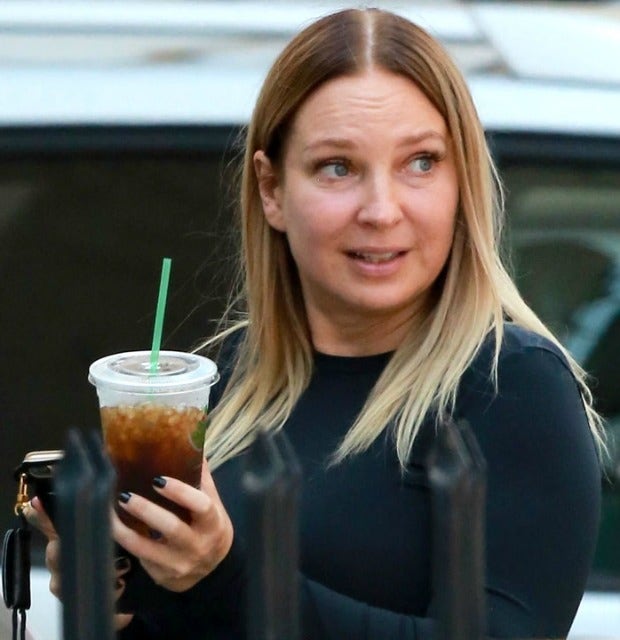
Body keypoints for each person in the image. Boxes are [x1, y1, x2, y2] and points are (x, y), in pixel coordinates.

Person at [28, 7, 604, 639]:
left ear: (460, 180)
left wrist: (221, 582)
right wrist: (123, 606)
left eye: (420, 162)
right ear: (271, 190)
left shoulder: (511, 386)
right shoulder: (223, 381)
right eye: (338, 167)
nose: (381, 210)